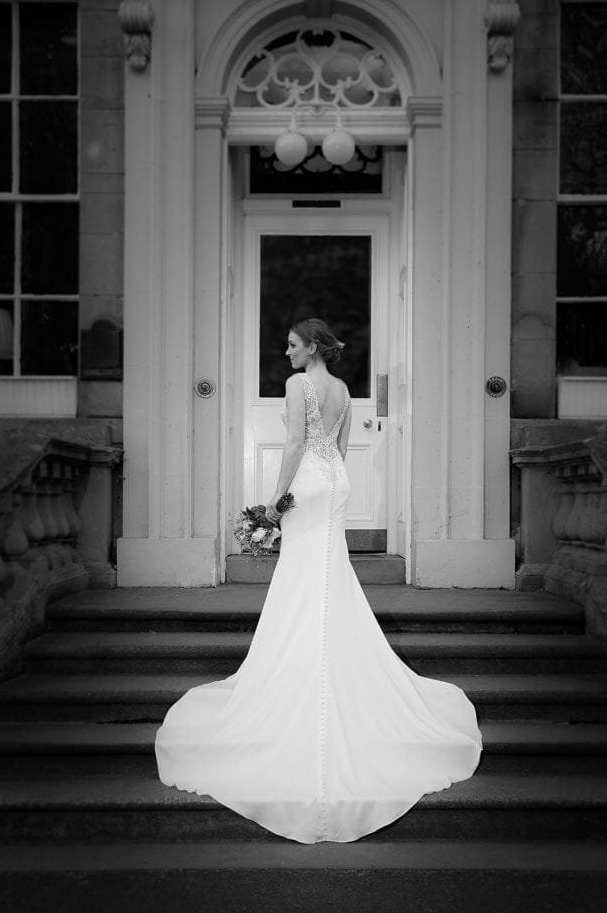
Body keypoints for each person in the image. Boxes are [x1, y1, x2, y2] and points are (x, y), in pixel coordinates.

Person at [155, 317, 482, 844]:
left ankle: (304, 663)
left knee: (305, 575)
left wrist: (273, 500)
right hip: (334, 483)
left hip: (305, 481)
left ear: (311, 348)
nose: (286, 352)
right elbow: (341, 446)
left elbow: (292, 444)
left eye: (292, 345)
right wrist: (319, 481)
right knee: (328, 573)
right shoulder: (345, 390)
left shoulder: (298, 384)